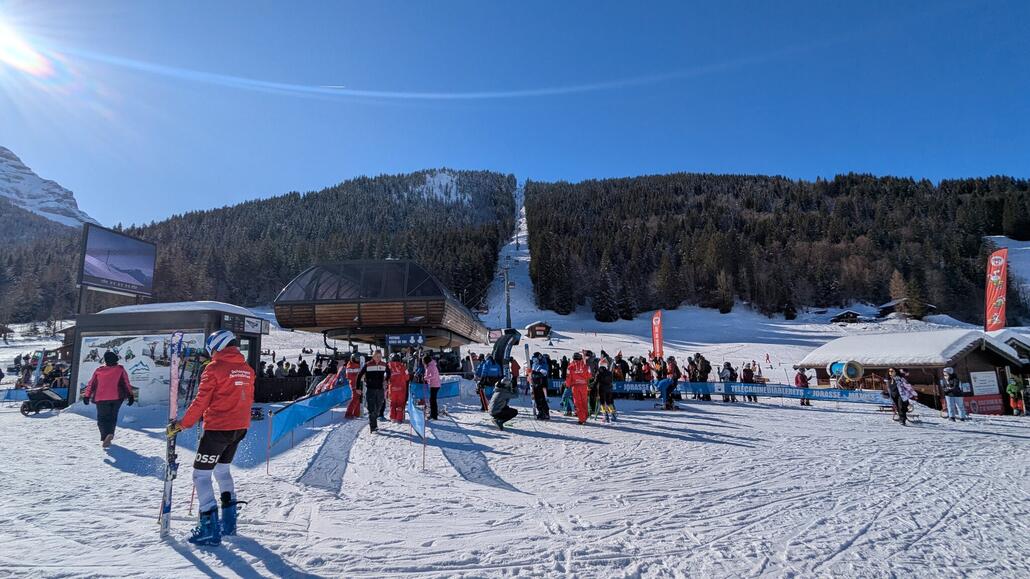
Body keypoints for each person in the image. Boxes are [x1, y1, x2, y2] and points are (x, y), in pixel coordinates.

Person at [167, 330, 255, 546]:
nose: (211, 354)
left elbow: (201, 401)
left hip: (218, 428)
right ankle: (228, 522)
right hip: (239, 427)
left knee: (201, 476)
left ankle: (209, 528)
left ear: (217, 346)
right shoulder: (247, 369)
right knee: (222, 471)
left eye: (212, 349)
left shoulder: (214, 369)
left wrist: (182, 424)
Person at [82, 351, 135, 448]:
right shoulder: (120, 369)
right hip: (117, 398)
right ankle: (110, 434)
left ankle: (105, 436)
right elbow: (126, 383)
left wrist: (86, 396)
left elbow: (91, 384)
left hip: (101, 398)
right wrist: (130, 395)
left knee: (102, 418)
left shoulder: (99, 370)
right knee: (112, 417)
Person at [356, 350, 390, 432]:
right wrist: (358, 388)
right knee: (371, 408)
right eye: (377, 356)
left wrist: (386, 379)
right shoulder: (368, 364)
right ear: (373, 356)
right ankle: (373, 427)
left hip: (380, 389)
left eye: (380, 356)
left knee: (378, 407)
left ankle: (375, 418)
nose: (378, 358)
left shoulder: (384, 364)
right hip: (371, 389)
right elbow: (359, 375)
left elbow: (389, 373)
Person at [566, 352, 592, 424]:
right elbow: (590, 375)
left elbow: (568, 377)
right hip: (584, 386)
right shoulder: (586, 366)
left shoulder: (570, 367)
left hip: (575, 387)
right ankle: (585, 416)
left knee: (578, 403)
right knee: (584, 402)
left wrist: (567, 385)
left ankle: (582, 419)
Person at [387, 353, 410, 423]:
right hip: (401, 389)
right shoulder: (403, 367)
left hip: (392, 389)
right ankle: (399, 418)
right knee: (400, 404)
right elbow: (407, 377)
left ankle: (393, 418)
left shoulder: (388, 367)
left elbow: (386, 378)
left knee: (392, 403)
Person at [530, 353, 551, 420]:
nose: (535, 361)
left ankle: (545, 413)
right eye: (534, 359)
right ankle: (540, 411)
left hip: (542, 384)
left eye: (536, 359)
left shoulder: (543, 364)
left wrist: (534, 373)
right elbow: (532, 373)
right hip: (535, 384)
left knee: (542, 399)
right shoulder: (534, 364)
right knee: (537, 399)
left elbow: (544, 373)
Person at [343, 354, 363, 419]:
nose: (358, 360)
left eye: (358, 359)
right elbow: (350, 376)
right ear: (353, 359)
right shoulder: (350, 366)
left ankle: (356, 413)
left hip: (359, 383)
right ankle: (348, 413)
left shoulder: (358, 365)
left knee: (358, 398)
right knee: (355, 398)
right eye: (356, 359)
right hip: (354, 383)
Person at [424, 353, 441, 420]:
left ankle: (434, 415)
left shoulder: (431, 366)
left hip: (435, 385)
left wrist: (425, 378)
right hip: (433, 384)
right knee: (432, 400)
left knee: (432, 400)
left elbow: (432, 375)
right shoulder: (431, 365)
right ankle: (433, 414)